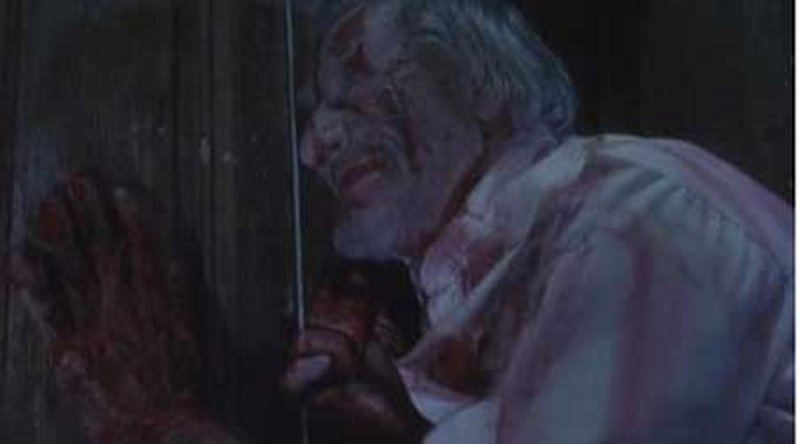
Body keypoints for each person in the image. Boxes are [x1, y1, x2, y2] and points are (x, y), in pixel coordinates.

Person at [283, 0, 794, 443]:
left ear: (481, 83)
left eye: (358, 81)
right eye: (313, 114)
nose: (312, 147)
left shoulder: (629, 212)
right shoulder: (482, 281)